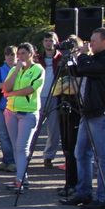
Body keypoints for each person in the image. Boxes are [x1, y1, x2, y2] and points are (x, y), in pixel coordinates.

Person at [60, 27, 105, 209]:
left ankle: (103, 198)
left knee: (102, 157)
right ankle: (83, 192)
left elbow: (87, 68)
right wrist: (70, 58)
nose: (90, 44)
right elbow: (79, 70)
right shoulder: (93, 58)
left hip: (102, 113)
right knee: (81, 153)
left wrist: (83, 54)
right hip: (88, 113)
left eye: (94, 41)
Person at [1, 43, 45, 193]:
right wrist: (17, 69)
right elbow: (6, 88)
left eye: (24, 53)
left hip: (28, 113)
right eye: (18, 54)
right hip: (11, 112)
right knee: (16, 147)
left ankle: (20, 180)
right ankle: (22, 178)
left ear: (31, 54)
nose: (20, 57)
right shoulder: (14, 69)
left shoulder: (38, 69)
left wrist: (12, 94)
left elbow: (30, 89)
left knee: (22, 147)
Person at [54, 36, 85, 197]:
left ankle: (76, 184)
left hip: (76, 109)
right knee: (66, 148)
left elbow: (76, 86)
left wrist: (66, 85)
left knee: (74, 148)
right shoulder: (65, 64)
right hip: (63, 106)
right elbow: (57, 87)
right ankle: (69, 182)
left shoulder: (82, 63)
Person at [35, 32, 62, 167]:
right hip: (38, 97)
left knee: (54, 130)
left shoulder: (61, 59)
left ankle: (49, 157)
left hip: (55, 97)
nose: (48, 43)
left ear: (56, 42)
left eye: (51, 40)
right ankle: (26, 154)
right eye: (46, 40)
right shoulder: (37, 59)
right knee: (34, 127)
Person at [0, 46, 17, 173]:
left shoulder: (21, 70)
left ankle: (11, 160)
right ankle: (8, 160)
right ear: (5, 56)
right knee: (3, 135)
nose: (11, 57)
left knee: (13, 135)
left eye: (13, 54)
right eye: (8, 54)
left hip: (15, 107)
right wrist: (0, 86)